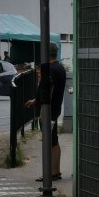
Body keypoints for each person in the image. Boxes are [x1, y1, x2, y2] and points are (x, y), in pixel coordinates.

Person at [25, 43, 66, 182]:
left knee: (49, 141)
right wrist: (36, 100)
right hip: (54, 108)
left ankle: (51, 174)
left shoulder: (49, 69)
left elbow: (48, 90)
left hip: (48, 110)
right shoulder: (59, 67)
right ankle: (56, 171)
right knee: (53, 140)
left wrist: (43, 106)